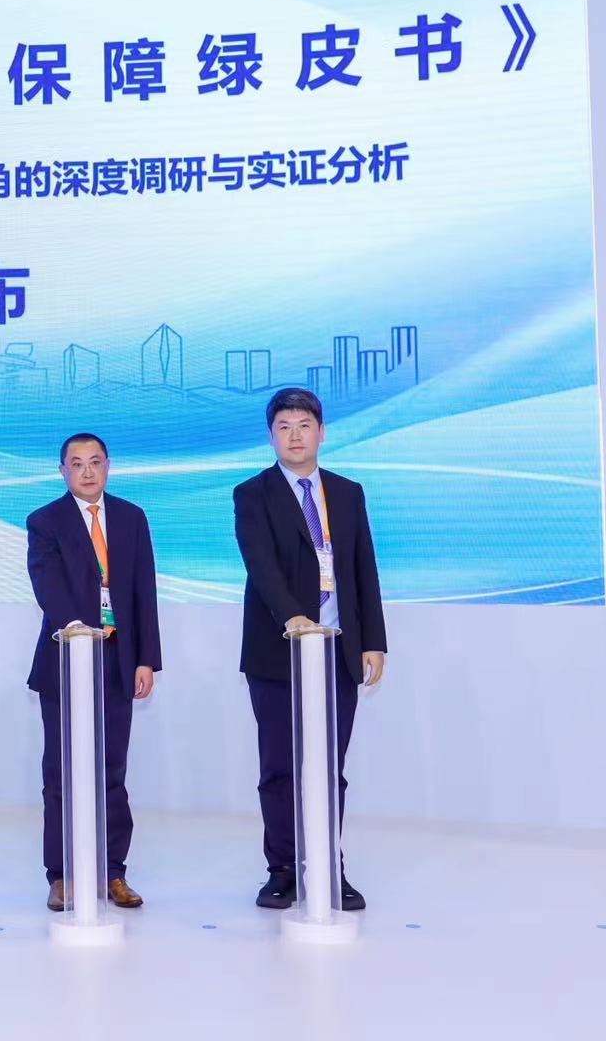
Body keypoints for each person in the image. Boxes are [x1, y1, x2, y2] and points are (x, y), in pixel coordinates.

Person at [233, 387, 388, 912]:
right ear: (271, 436)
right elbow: (260, 565)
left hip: (339, 650)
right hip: (277, 652)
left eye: (303, 426)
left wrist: (374, 641)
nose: (294, 436)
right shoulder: (252, 494)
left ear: (321, 433)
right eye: (284, 427)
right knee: (280, 767)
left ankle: (327, 866)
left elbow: (363, 569)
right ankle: (282, 869)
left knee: (329, 767)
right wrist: (292, 617)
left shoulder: (347, 492)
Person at [25, 433, 163, 911]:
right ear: (62, 470)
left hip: (119, 660)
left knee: (112, 770)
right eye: (77, 463)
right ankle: (61, 874)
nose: (87, 471)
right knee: (61, 772)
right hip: (65, 658)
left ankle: (113, 871)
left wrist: (146, 658)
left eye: (95, 462)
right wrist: (77, 630)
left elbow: (144, 590)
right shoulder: (45, 520)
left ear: (108, 466)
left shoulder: (131, 517)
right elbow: (47, 585)